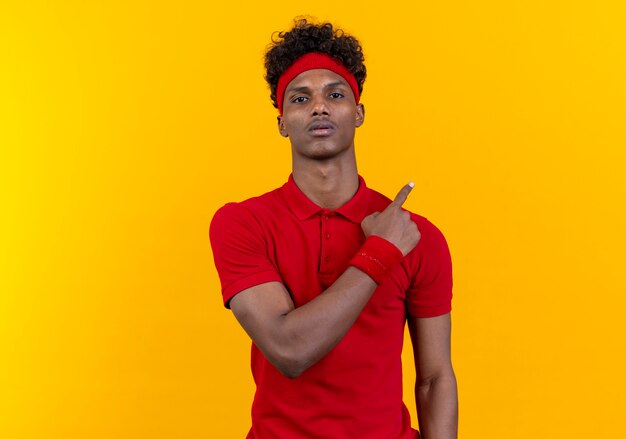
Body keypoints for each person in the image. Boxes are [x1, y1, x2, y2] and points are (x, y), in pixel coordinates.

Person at [209, 18, 458, 439]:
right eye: (300, 98)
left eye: (335, 95)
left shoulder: (419, 236)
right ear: (282, 122)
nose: (319, 107)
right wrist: (380, 251)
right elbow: (290, 349)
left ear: (358, 114)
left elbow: (435, 378)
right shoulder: (241, 223)